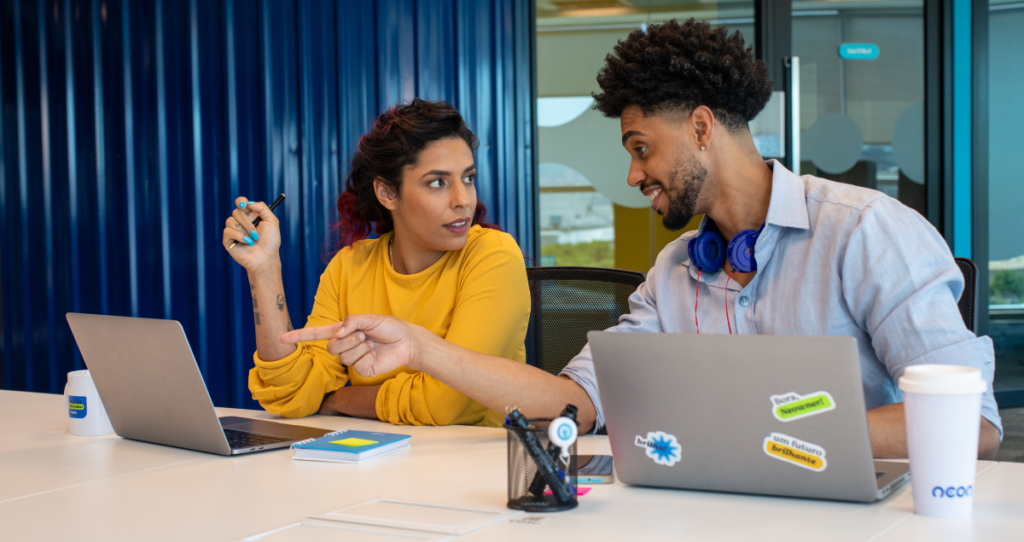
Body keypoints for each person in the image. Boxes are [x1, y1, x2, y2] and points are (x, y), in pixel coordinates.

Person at [283, 20, 1001, 459]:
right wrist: (422, 349)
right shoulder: (678, 268)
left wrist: (753, 429)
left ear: (698, 126)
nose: (633, 174)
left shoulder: (868, 232)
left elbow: (972, 428)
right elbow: (573, 403)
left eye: (640, 147)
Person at [222, 98, 530, 427]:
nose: (464, 199)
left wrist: (340, 399)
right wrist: (264, 269)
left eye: (468, 178)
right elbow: (292, 396)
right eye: (438, 182)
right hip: (375, 465)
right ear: (387, 193)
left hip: (472, 469)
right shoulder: (350, 267)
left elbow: (447, 405)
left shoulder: (493, 256)